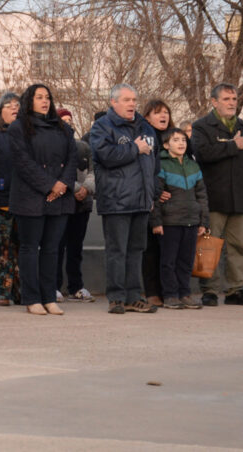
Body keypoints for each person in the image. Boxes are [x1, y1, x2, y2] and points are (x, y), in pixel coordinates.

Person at [88, 84, 159, 315]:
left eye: (134, 99)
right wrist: (134, 148)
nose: (132, 104)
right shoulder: (102, 127)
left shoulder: (146, 127)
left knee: (136, 250)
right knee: (117, 251)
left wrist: (150, 195)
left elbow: (153, 164)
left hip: (141, 200)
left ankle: (133, 296)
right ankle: (116, 297)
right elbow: (105, 156)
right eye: (127, 100)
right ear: (113, 102)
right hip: (116, 200)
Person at [8, 85, 77, 316]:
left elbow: (72, 158)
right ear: (30, 101)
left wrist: (62, 185)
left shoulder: (63, 129)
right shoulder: (19, 127)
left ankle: (49, 297)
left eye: (47, 97)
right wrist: (50, 185)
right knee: (29, 248)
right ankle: (31, 298)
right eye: (39, 97)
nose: (45, 101)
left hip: (60, 197)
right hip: (30, 197)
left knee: (52, 248)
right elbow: (23, 162)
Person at [191, 83, 243, 307]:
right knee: (208, 246)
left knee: (237, 247)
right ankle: (209, 290)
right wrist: (232, 146)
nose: (232, 103)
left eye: (234, 99)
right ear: (214, 102)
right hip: (213, 198)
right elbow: (202, 154)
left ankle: (235, 290)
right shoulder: (202, 127)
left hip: (240, 199)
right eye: (227, 99)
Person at [150, 128, 207, 309]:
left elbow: (202, 196)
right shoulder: (161, 165)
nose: (181, 143)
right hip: (170, 222)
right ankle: (170, 295)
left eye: (183, 139)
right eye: (176, 140)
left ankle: (185, 293)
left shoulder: (193, 166)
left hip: (191, 220)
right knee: (168, 261)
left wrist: (203, 221)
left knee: (186, 261)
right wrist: (156, 222)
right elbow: (156, 197)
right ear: (166, 145)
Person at [56, 109, 95, 302]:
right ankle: (54, 286)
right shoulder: (54, 148)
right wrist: (76, 187)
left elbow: (92, 171)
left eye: (70, 120)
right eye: (63, 120)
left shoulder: (83, 147)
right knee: (57, 246)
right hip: (62, 203)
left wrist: (86, 189)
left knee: (75, 248)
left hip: (83, 205)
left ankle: (76, 286)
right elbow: (57, 174)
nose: (68, 123)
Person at [0, 92, 21, 306]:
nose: (14, 108)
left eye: (17, 105)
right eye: (9, 105)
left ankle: (19, 290)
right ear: (0, 111)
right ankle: (0, 290)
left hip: (25, 203)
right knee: (2, 248)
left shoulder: (27, 135)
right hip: (1, 201)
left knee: (21, 248)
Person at [142, 99, 173, 308]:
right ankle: (152, 291)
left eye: (166, 112)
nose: (163, 116)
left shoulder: (177, 137)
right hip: (153, 201)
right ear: (147, 117)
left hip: (175, 204)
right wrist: (156, 190)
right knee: (150, 249)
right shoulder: (145, 138)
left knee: (170, 250)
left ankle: (171, 291)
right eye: (157, 113)